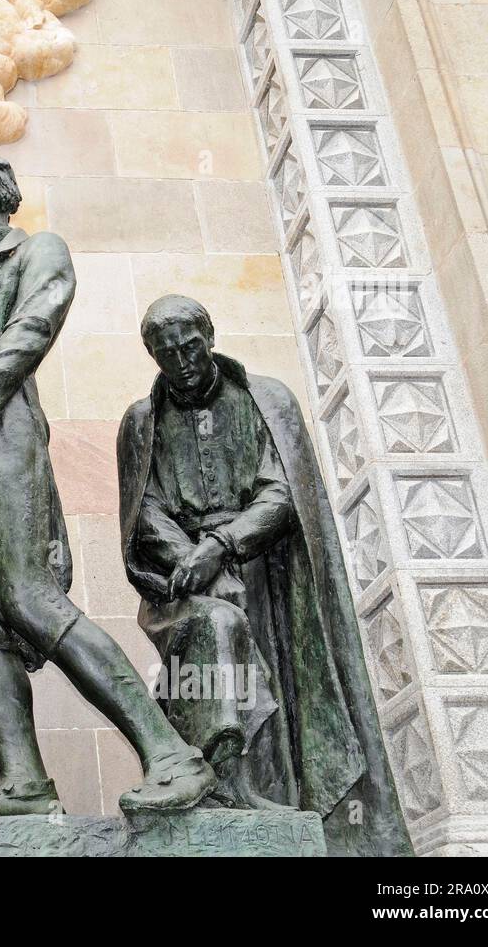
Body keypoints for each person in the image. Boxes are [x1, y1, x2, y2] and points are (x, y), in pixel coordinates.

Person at [0, 152, 216, 816]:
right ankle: (23, 782)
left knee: (27, 595)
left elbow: (29, 334)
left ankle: (171, 753)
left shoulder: (40, 252)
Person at [117, 293, 413, 856]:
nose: (180, 361)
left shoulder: (265, 399)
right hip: (184, 579)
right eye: (165, 352)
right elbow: (144, 509)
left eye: (189, 346)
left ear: (210, 336)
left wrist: (222, 546)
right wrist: (193, 560)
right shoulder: (140, 421)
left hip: (268, 567)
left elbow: (283, 490)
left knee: (284, 687)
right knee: (214, 641)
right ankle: (226, 788)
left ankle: (289, 810)